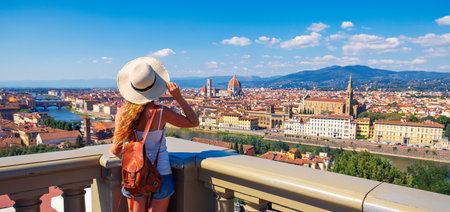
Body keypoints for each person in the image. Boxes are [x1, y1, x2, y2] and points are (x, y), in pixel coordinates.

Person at [110, 57, 199, 212]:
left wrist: (135, 153)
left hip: (134, 174)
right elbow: (193, 122)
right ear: (154, 85)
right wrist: (177, 96)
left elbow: (116, 150)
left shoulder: (122, 113)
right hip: (162, 173)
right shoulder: (161, 112)